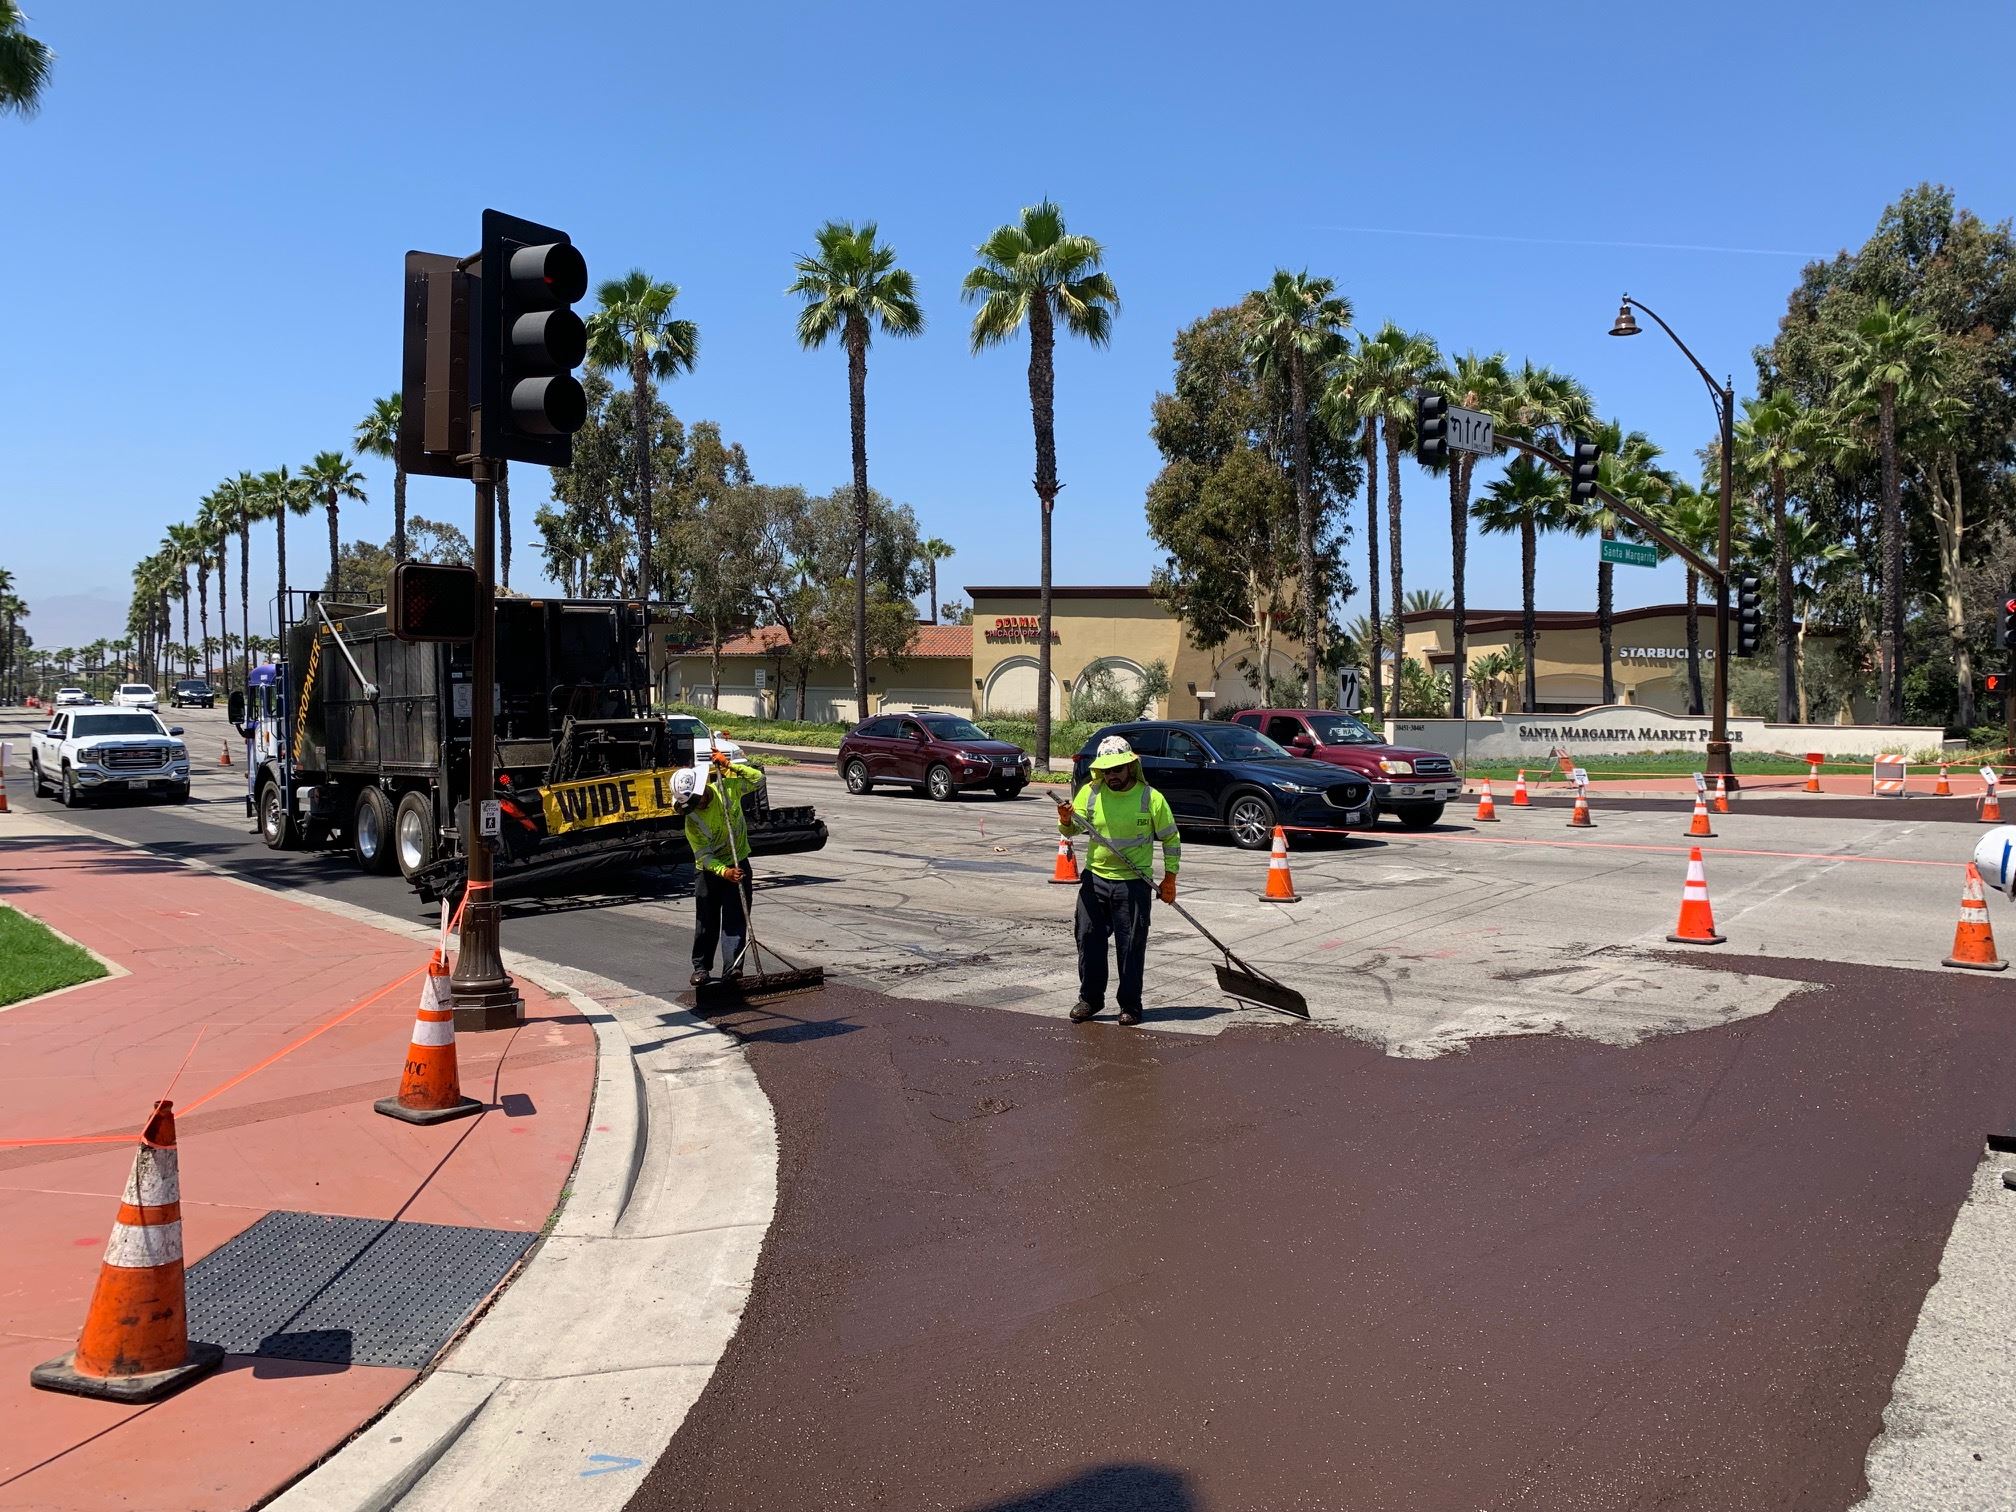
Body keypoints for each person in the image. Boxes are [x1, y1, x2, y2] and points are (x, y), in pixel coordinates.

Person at [1057, 735, 1180, 1025]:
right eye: (1106, 770)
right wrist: (1065, 818)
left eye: (1117, 770)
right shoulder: (1090, 792)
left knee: (1131, 946)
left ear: (1130, 767)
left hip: (1134, 884)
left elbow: (1171, 839)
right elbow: (1073, 829)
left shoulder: (1150, 798)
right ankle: (1090, 999)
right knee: (1088, 940)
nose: (1111, 776)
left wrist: (1170, 878)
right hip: (1095, 879)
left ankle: (1130, 1005)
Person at [673, 752, 765, 988]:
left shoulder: (727, 789)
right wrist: (723, 872)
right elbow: (703, 855)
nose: (697, 806)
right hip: (709, 872)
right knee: (706, 919)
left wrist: (729, 765)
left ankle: (732, 969)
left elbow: (758, 780)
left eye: (698, 799)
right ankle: (701, 968)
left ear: (703, 787)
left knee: (735, 917)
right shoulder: (691, 819)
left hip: (738, 861)